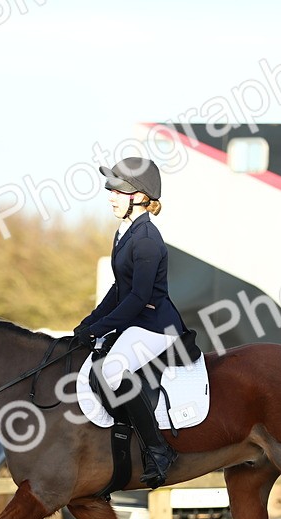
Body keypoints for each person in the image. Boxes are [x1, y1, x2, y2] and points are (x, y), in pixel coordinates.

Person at [73, 156, 186, 488]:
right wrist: (89, 322)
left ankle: (159, 450)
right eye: (110, 189)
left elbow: (138, 297)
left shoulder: (147, 239)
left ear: (139, 196)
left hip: (156, 325)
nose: (110, 196)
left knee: (112, 370)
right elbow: (118, 288)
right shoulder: (125, 232)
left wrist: (100, 328)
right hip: (137, 322)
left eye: (117, 191)